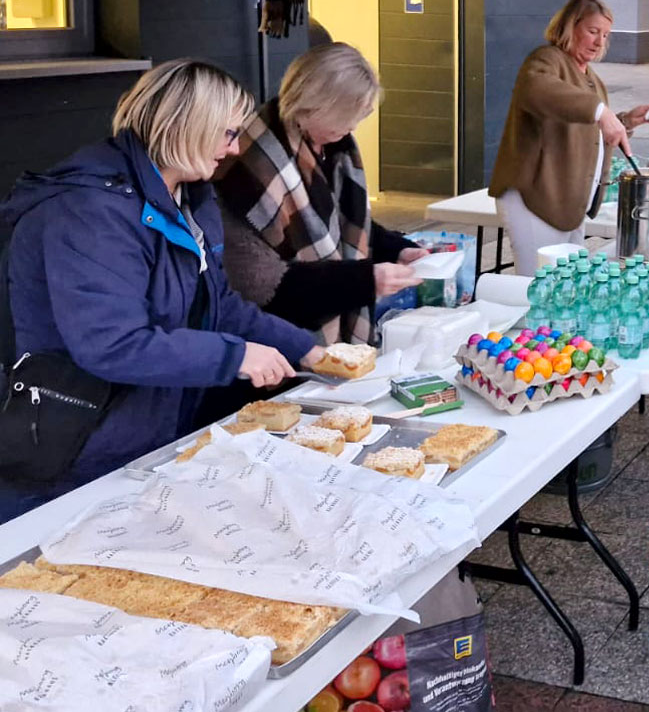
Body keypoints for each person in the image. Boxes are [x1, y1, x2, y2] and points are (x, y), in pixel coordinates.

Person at [0, 60, 322, 520]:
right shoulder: (89, 212)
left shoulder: (187, 197)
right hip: (66, 456)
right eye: (228, 134)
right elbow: (112, 344)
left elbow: (217, 305)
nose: (234, 150)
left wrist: (308, 351)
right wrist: (235, 356)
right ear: (186, 128)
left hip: (137, 437)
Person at [214, 43, 425, 345]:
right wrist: (365, 280)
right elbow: (262, 288)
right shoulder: (249, 168)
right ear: (313, 104)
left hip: (323, 327)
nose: (352, 126)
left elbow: (347, 224)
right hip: (277, 344)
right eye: (346, 116)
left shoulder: (333, 146)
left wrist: (398, 250)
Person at [490, 0, 649, 268]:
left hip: (570, 203)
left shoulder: (591, 78)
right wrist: (601, 113)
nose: (600, 42)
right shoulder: (545, 60)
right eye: (592, 31)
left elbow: (585, 127)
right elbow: (540, 90)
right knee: (539, 285)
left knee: (568, 288)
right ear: (570, 26)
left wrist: (625, 121)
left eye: (605, 35)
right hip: (538, 198)